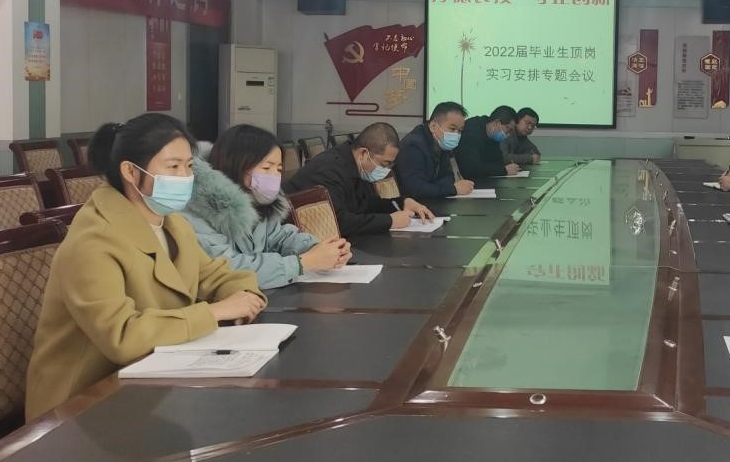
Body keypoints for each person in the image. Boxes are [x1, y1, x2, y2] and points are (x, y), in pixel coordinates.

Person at [26, 114, 266, 419]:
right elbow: (123, 337)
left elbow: (216, 275)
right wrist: (216, 312)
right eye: (173, 167)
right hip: (82, 403)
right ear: (130, 171)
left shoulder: (173, 223)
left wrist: (245, 295)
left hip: (151, 381)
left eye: (189, 166)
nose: (185, 177)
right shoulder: (92, 241)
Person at [182, 124, 351, 290]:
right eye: (266, 168)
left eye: (279, 169)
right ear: (237, 165)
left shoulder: (257, 202)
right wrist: (302, 263)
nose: (274, 176)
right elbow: (227, 270)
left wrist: (317, 249)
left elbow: (278, 237)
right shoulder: (197, 211)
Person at [283, 122, 434, 238]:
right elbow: (337, 221)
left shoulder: (356, 166)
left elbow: (366, 205)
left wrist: (401, 203)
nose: (386, 170)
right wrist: (390, 221)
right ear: (363, 154)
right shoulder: (330, 170)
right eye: (384, 164)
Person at [397, 102, 475, 199]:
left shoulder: (441, 143)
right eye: (452, 128)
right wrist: (454, 189)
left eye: (460, 131)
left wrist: (438, 187)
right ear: (433, 126)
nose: (456, 135)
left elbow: (448, 177)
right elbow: (415, 189)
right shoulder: (413, 146)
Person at [454, 104, 520, 180]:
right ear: (497, 123)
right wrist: (504, 170)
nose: (508, 135)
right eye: (509, 130)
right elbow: (471, 168)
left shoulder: (493, 134)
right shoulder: (472, 131)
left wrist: (505, 168)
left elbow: (497, 162)